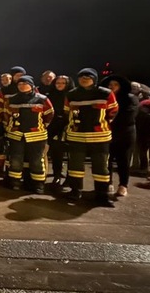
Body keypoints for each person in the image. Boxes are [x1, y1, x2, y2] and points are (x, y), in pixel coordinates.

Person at [63, 68, 118, 207]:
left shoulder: (105, 93)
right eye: (81, 76)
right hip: (77, 136)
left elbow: (113, 111)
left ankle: (102, 195)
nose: (84, 78)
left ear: (94, 79)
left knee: (101, 167)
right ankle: (75, 191)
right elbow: (66, 112)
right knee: (75, 166)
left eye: (88, 76)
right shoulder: (71, 94)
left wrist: (101, 124)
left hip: (99, 137)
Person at [4, 75, 54, 193]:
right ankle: (15, 181)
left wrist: (41, 126)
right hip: (16, 134)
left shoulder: (42, 99)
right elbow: (6, 114)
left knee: (36, 160)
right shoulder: (12, 99)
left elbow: (49, 114)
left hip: (36, 135)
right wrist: (9, 127)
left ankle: (38, 183)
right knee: (16, 159)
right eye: (20, 84)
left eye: (24, 84)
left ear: (31, 86)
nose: (21, 86)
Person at [100, 74, 139, 197]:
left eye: (115, 85)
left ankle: (123, 185)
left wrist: (106, 119)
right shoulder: (104, 97)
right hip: (107, 132)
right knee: (107, 160)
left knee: (124, 160)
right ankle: (108, 182)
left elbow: (127, 116)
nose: (112, 87)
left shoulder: (130, 98)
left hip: (125, 134)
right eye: (110, 85)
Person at [45, 75, 74, 191]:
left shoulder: (73, 96)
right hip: (53, 126)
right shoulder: (50, 95)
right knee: (56, 153)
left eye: (63, 83)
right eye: (58, 82)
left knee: (71, 155)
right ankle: (57, 176)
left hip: (69, 126)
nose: (60, 85)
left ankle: (69, 177)